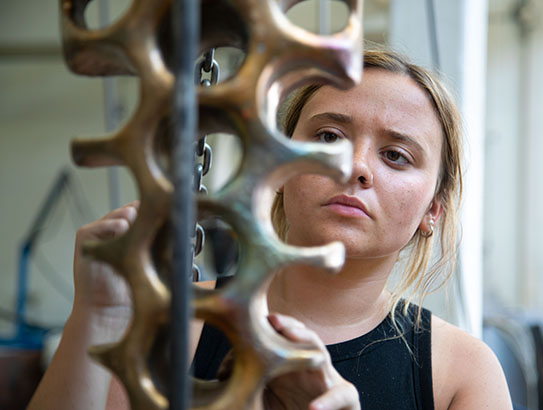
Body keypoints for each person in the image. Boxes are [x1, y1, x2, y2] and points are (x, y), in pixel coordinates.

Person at [28, 47, 512, 410]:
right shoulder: (179, 326)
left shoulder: (460, 372)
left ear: (434, 210)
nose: (354, 165)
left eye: (396, 156)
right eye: (328, 136)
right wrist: (95, 315)